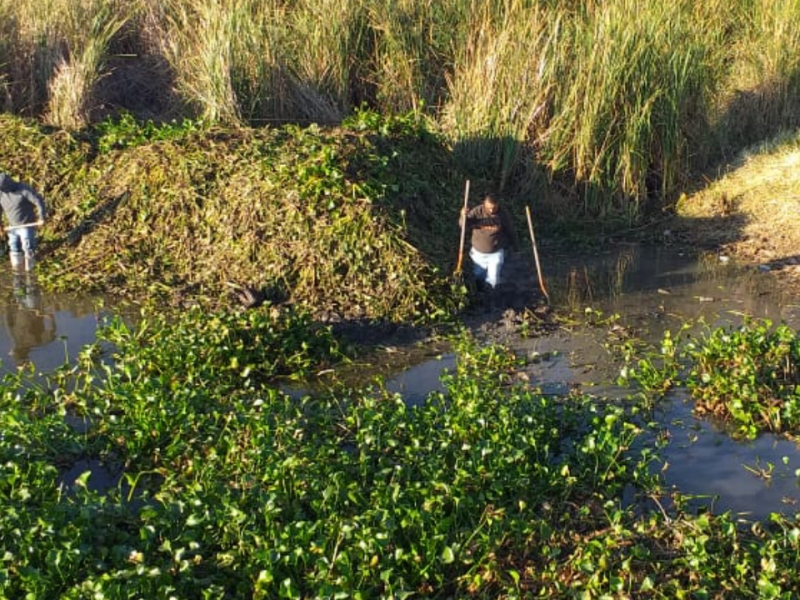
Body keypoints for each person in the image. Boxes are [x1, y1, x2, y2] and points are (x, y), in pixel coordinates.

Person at [460, 192, 519, 290]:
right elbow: (463, 226)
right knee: (478, 275)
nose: (491, 210)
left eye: (494, 208)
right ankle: (479, 293)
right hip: (478, 253)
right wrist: (463, 216)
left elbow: (510, 230)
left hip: (496, 252)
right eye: (489, 208)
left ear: (498, 205)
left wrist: (515, 246)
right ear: (484, 204)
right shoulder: (477, 212)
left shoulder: (502, 214)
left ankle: (491, 297)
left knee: (493, 279)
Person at [0, 172, 46, 272]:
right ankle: (17, 272)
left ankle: (30, 272)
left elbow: (38, 201)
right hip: (12, 227)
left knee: (28, 247)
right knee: (14, 247)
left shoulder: (23, 188)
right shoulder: (1, 194)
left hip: (27, 225)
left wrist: (41, 217)